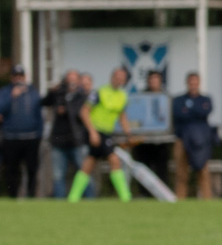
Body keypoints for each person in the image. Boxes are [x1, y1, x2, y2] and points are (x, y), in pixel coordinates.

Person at [69, 67, 133, 201]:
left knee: (89, 163)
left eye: (122, 78)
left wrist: (129, 133)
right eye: (117, 77)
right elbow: (84, 112)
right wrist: (92, 132)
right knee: (114, 160)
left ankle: (73, 197)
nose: (119, 80)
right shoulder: (100, 92)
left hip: (107, 133)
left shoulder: (123, 96)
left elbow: (122, 116)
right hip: (96, 131)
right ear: (112, 77)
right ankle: (126, 197)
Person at [170, 73, 216, 200]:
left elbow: (205, 111)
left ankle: (207, 200)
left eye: (196, 82)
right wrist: (196, 111)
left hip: (200, 141)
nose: (193, 85)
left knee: (203, 170)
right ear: (187, 83)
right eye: (191, 82)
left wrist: (189, 110)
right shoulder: (179, 100)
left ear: (199, 83)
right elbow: (179, 113)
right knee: (181, 172)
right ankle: (180, 199)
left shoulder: (205, 99)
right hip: (182, 139)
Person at [44, 70, 88, 198]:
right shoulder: (59, 94)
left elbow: (76, 113)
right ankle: (60, 202)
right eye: (69, 79)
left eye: (74, 79)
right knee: (58, 175)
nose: (71, 82)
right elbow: (44, 102)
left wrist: (67, 105)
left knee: (83, 172)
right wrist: (52, 91)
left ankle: (90, 199)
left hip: (76, 140)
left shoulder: (82, 95)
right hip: (58, 141)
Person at [1, 65, 43, 198]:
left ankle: (31, 195)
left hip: (31, 137)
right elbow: (1, 109)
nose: (18, 79)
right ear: (12, 77)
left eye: (21, 76)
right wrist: (12, 96)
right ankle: (13, 195)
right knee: (12, 169)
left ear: (25, 77)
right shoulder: (5, 91)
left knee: (32, 169)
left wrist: (39, 134)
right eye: (16, 76)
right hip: (11, 137)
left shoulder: (32, 91)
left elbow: (38, 114)